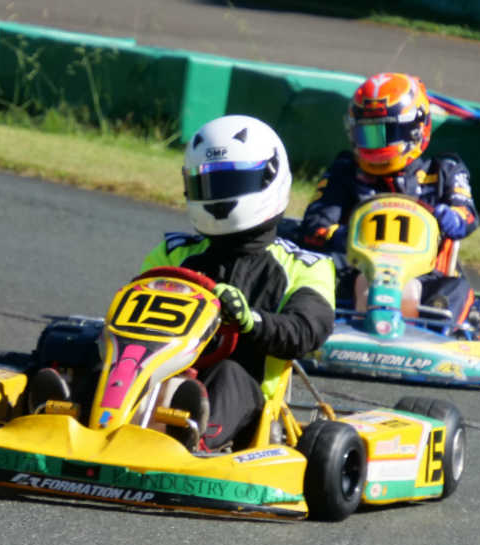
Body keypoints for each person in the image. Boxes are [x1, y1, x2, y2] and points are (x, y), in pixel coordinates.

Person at [140, 114, 336, 451]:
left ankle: (193, 441)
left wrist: (251, 321)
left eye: (231, 183)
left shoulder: (305, 266)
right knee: (84, 348)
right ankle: (64, 412)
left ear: (269, 177)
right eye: (209, 185)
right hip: (160, 373)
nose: (218, 196)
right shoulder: (173, 253)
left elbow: (306, 331)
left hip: (248, 400)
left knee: (228, 372)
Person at [299, 72, 480, 327]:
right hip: (357, 272)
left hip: (426, 277)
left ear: (415, 129)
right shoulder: (345, 171)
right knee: (313, 274)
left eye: (385, 132)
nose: (373, 144)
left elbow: (467, 215)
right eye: (366, 134)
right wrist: (346, 237)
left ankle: (445, 334)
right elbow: (314, 227)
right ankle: (315, 326)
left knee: (458, 290)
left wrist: (450, 217)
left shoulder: (444, 170)